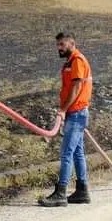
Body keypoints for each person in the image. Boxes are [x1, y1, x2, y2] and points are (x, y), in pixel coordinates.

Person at [39, 32, 93, 207]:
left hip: (76, 113)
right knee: (77, 152)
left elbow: (77, 87)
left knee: (66, 153)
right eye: (58, 45)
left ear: (72, 43)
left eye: (62, 44)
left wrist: (63, 110)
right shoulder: (71, 63)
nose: (59, 48)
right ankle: (82, 191)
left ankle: (61, 193)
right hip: (76, 113)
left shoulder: (77, 61)